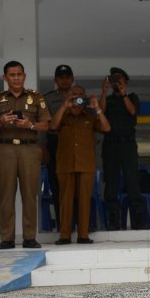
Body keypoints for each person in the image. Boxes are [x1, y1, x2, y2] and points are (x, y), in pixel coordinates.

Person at [0, 60, 52, 249]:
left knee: (30, 193)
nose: (16, 78)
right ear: (5, 78)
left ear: (24, 76)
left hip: (29, 149)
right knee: (6, 193)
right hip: (5, 148)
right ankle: (7, 238)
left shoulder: (37, 98)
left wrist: (29, 124)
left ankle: (30, 237)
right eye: (12, 75)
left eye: (19, 74)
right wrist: (1, 121)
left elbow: (46, 125)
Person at [52, 86, 111, 245]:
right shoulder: (63, 114)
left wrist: (97, 107)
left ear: (85, 98)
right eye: (73, 95)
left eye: (80, 95)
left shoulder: (90, 116)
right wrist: (65, 105)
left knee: (85, 200)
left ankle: (83, 234)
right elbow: (52, 126)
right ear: (68, 96)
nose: (77, 98)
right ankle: (64, 235)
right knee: (65, 200)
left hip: (86, 164)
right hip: (65, 164)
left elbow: (106, 128)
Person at [99, 67, 150, 230]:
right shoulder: (108, 99)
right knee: (111, 181)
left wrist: (123, 92)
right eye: (114, 80)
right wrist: (104, 91)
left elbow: (132, 111)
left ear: (126, 82)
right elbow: (100, 112)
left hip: (128, 144)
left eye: (120, 80)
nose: (117, 83)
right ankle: (113, 221)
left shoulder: (132, 97)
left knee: (132, 181)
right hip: (110, 144)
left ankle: (138, 221)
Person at [41, 64, 75, 220]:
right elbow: (43, 124)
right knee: (57, 184)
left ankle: (80, 223)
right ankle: (63, 224)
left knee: (77, 184)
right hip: (55, 142)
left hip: (76, 144)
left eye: (67, 77)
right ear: (55, 80)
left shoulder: (80, 97)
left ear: (72, 79)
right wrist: (43, 147)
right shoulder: (48, 98)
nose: (64, 81)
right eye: (61, 78)